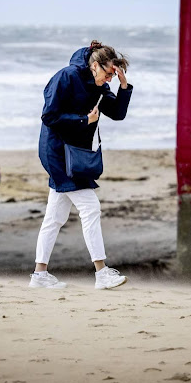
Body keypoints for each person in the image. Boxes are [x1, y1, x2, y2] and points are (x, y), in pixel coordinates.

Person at [30, 40, 133, 290]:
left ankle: (39, 276)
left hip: (75, 154)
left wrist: (124, 86)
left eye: (113, 75)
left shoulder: (98, 84)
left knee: (54, 217)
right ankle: (102, 273)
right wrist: (83, 119)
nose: (109, 79)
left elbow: (117, 113)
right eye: (108, 73)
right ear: (95, 65)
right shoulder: (66, 76)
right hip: (57, 152)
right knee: (90, 208)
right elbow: (49, 116)